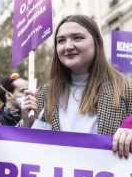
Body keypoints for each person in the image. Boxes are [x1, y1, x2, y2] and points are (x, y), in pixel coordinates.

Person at [20, 15, 132, 158]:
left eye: (77, 38)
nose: (68, 46)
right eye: (61, 41)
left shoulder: (126, 89)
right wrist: (26, 124)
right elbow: (18, 150)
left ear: (96, 41)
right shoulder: (42, 94)